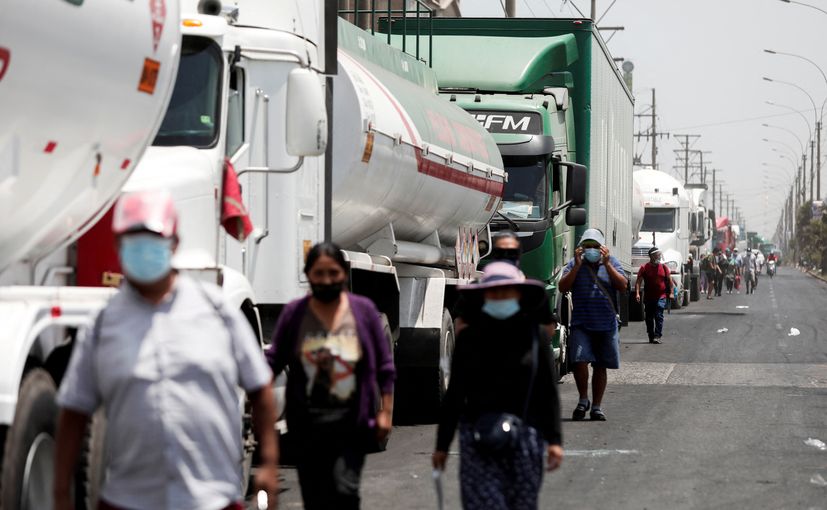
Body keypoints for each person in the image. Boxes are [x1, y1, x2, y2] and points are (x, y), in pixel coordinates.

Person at [54, 190, 278, 510]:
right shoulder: (103, 324)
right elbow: (74, 411)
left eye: (153, 239)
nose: (144, 249)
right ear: (118, 247)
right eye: (133, 240)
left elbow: (259, 387)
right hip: (128, 500)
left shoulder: (216, 311)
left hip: (211, 498)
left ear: (174, 243)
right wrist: (61, 493)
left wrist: (268, 463)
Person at [266, 242, 395, 510]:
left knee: (345, 493)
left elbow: (384, 366)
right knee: (315, 497)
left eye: (333, 273)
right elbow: (273, 361)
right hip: (307, 426)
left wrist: (386, 411)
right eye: (319, 274)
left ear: (343, 273)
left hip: (351, 424)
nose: (326, 281)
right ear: (308, 275)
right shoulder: (295, 314)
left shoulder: (363, 312)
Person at [432, 262, 563, 510]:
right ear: (484, 297)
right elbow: (456, 393)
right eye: (494, 292)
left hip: (525, 437)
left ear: (519, 295)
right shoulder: (469, 339)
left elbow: (548, 392)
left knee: (522, 504)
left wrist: (554, 440)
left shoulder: (536, 338)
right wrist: (442, 445)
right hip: (477, 437)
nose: (500, 297)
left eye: (506, 291)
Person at [558, 228, 627, 421]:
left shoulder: (612, 263)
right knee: (579, 362)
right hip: (581, 324)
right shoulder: (574, 264)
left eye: (595, 246)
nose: (591, 250)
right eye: (587, 246)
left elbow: (622, 286)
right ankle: (583, 399)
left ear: (602, 248)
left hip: (606, 325)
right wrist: (577, 266)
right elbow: (563, 287)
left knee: (600, 366)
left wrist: (607, 265)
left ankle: (596, 406)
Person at [455, 231, 558, 338]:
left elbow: (548, 329)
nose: (506, 256)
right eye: (500, 252)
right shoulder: (475, 291)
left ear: (518, 254)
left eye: (511, 252)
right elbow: (460, 324)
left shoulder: (535, 292)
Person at [634, 247, 672, 344]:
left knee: (659, 315)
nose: (659, 257)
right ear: (651, 256)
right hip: (649, 297)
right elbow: (638, 282)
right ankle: (651, 335)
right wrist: (637, 293)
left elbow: (670, 281)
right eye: (656, 255)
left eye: (659, 255)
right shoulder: (644, 268)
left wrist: (671, 293)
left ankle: (657, 335)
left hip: (661, 296)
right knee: (649, 317)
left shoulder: (664, 267)